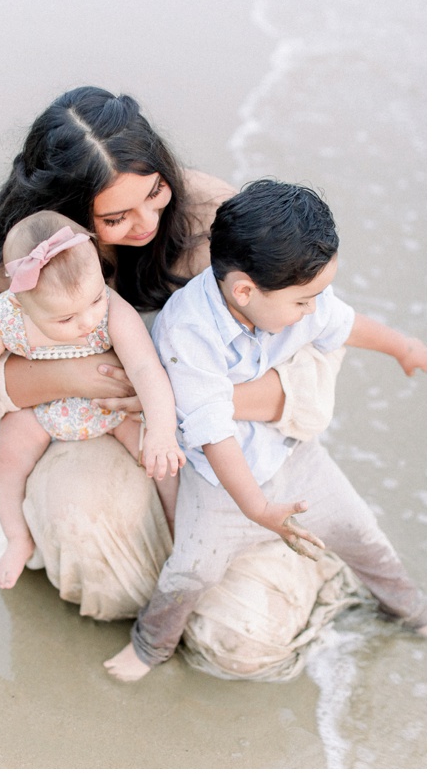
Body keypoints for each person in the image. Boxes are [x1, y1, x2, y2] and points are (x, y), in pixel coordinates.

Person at [0, 87, 351, 678]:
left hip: (232, 436)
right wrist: (75, 373)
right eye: (115, 217)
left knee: (244, 638)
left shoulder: (212, 220)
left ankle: (205, 577)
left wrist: (201, 402)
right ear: (71, 214)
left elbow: (312, 356)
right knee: (86, 524)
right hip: (92, 431)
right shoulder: (32, 263)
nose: (149, 224)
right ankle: (153, 602)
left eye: (155, 193)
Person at [104, 180, 427, 681]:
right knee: (194, 569)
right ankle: (150, 646)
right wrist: (257, 509)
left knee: (360, 531)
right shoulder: (188, 331)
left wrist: (403, 347)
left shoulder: (292, 295)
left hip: (292, 454)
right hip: (217, 479)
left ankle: (411, 610)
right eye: (304, 302)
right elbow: (213, 432)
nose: (313, 310)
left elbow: (343, 323)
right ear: (244, 291)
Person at [0, 212, 184, 588]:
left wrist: (161, 430)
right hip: (43, 409)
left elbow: (145, 367)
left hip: (112, 409)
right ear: (22, 299)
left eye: (94, 299)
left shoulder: (110, 309)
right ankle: (17, 538)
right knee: (6, 459)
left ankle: (176, 523)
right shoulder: (4, 318)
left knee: (159, 461)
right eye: (65, 319)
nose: (86, 321)